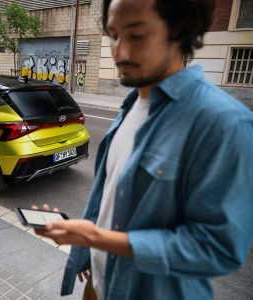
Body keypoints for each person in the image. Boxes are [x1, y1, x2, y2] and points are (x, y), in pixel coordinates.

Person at [34, 0, 253, 299]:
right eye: (114, 35)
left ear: (178, 30)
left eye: (136, 35)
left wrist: (98, 237)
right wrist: (86, 242)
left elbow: (219, 248)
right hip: (98, 285)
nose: (120, 52)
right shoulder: (131, 106)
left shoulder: (224, 122)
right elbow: (113, 199)